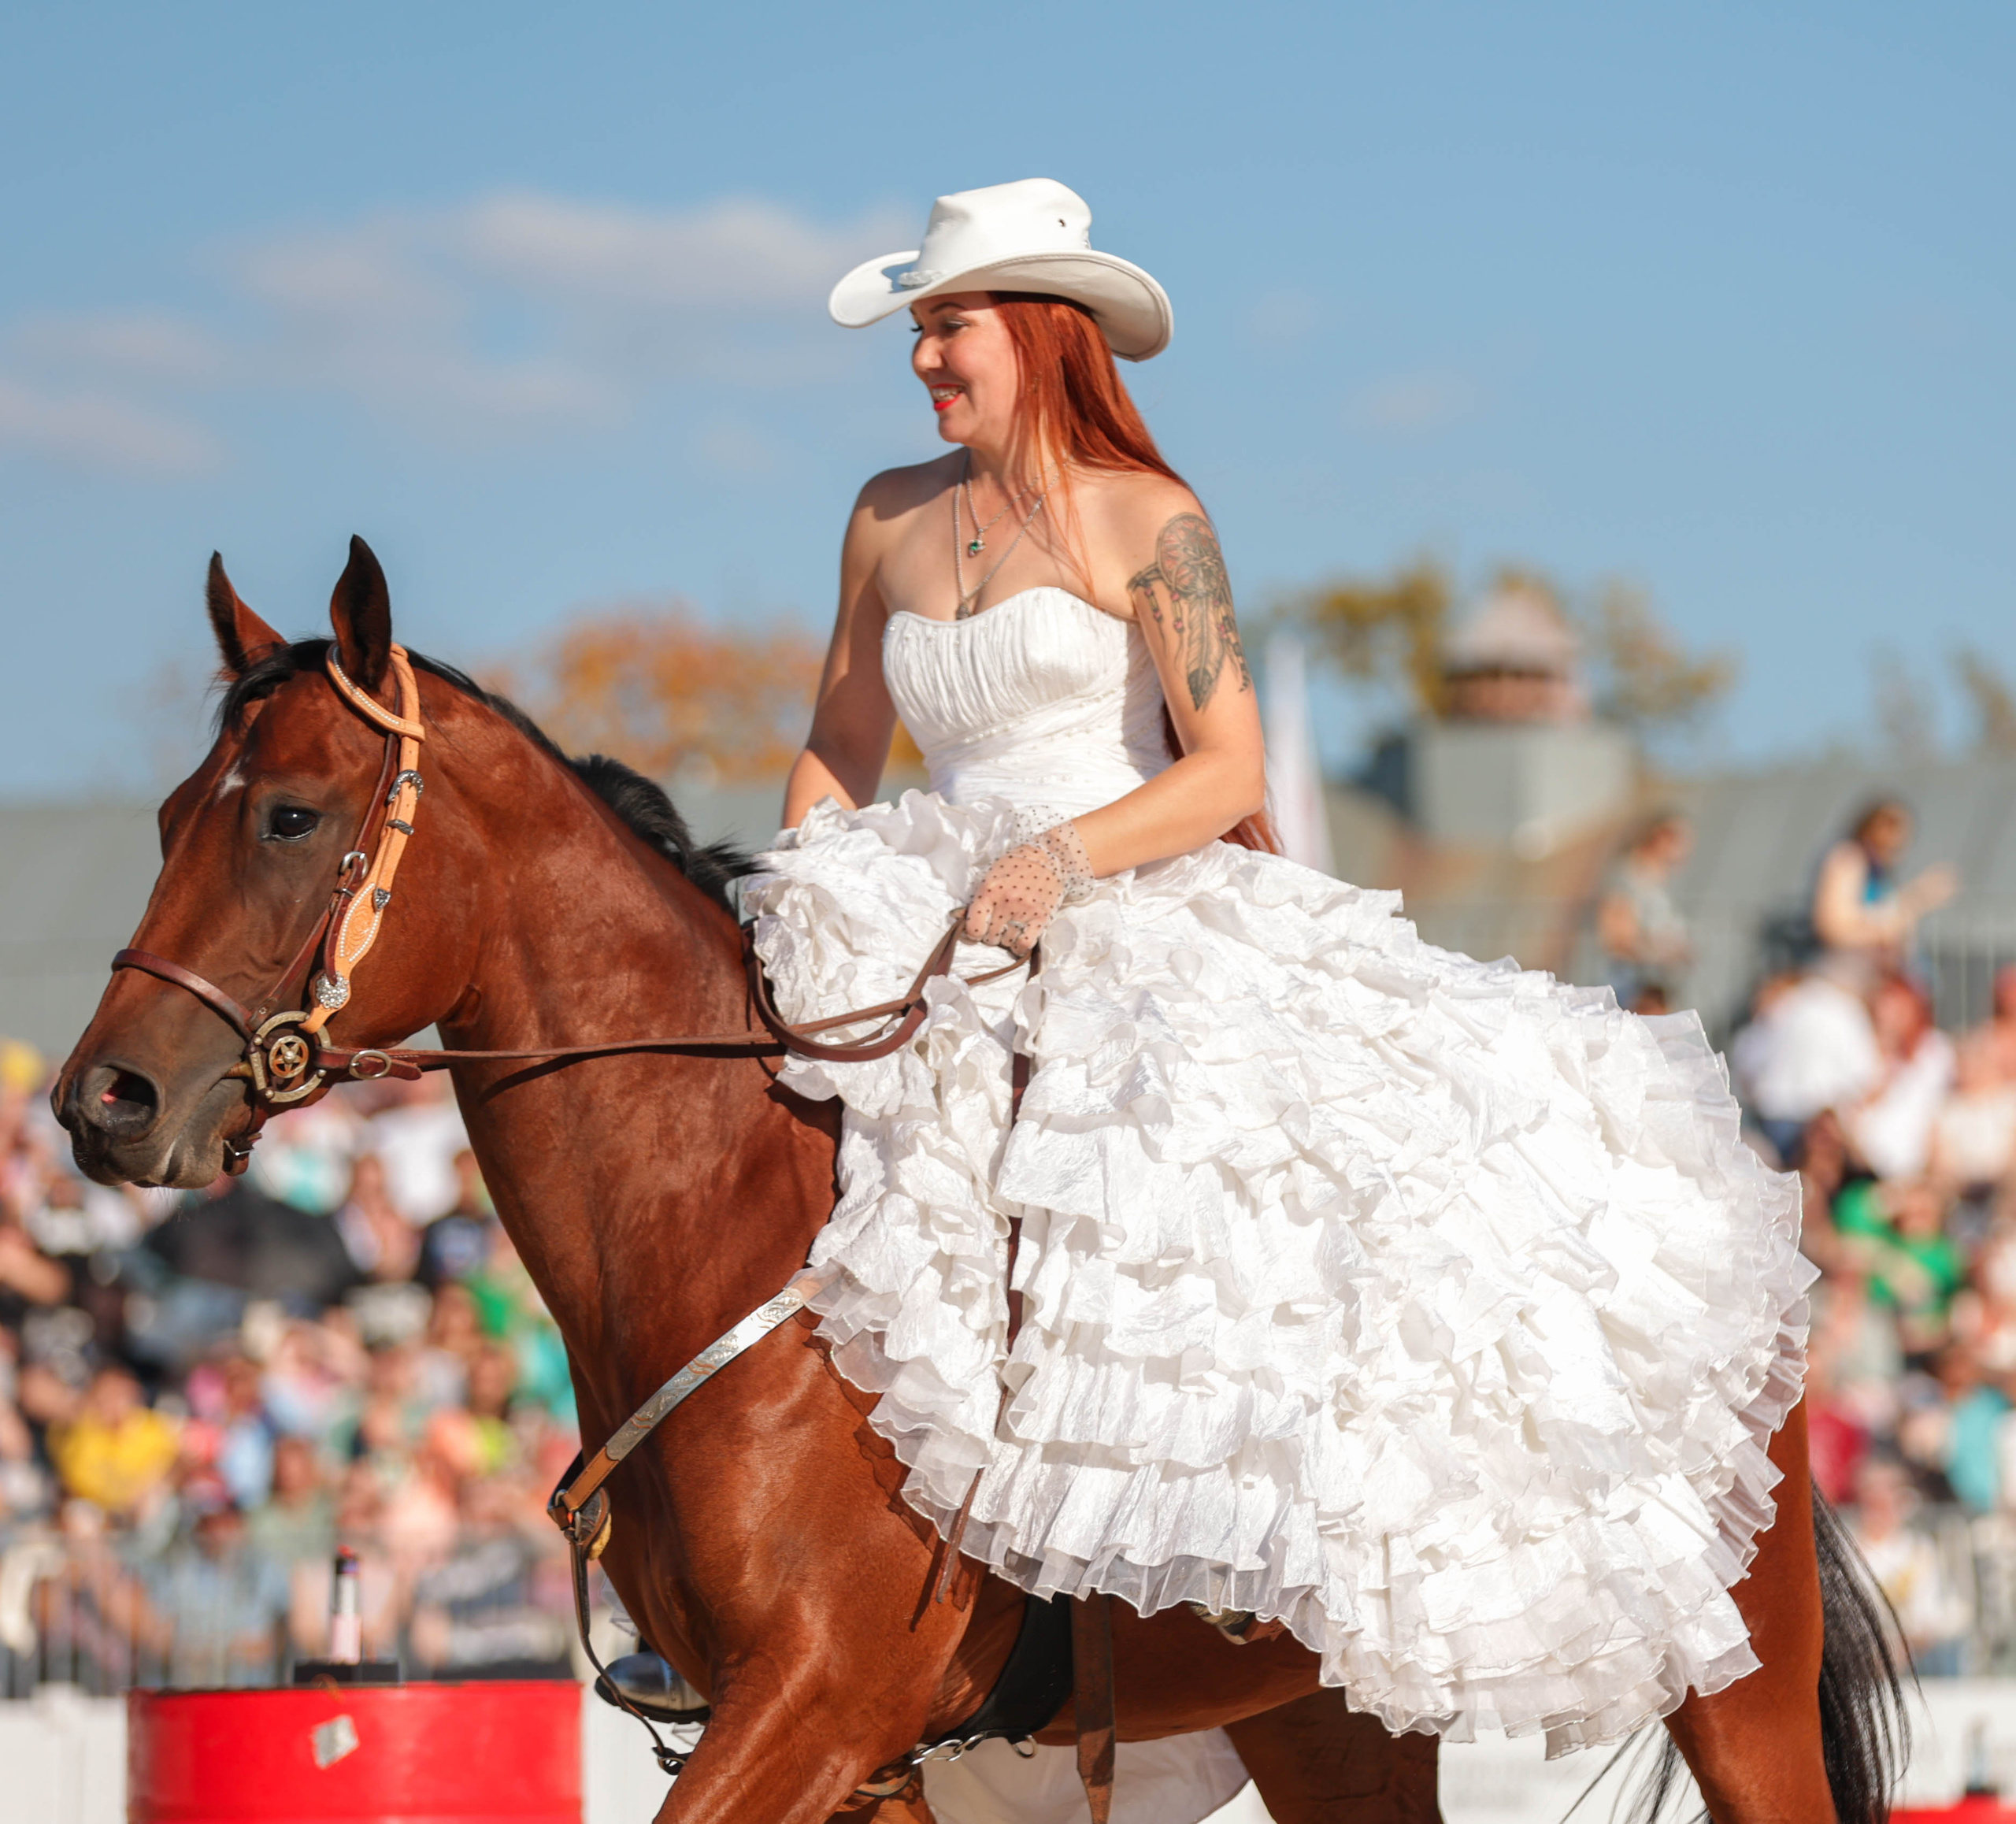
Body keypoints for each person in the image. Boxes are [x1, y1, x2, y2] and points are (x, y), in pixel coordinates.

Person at [743, 178, 1809, 1752]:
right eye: (914, 331)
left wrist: (1061, 859)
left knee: (1186, 1194)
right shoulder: (883, 513)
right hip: (920, 904)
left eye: (945, 325)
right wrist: (797, 888)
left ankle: (1238, 1557)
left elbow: (1226, 765)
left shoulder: (1148, 522)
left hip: (1112, 893)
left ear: (1039, 331)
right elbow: (838, 745)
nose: (921, 359)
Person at [1810, 798, 1957, 977]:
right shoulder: (1848, 860)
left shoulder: (1879, 873)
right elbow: (1834, 929)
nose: (1896, 838)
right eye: (1890, 826)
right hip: (1844, 974)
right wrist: (1915, 901)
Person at [1593, 810, 1694, 1011]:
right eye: (1680, 840)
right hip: (1631, 993)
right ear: (1660, 838)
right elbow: (1616, 940)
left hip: (1654, 989)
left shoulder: (1658, 883)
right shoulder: (1627, 878)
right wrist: (1661, 954)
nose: (1687, 849)